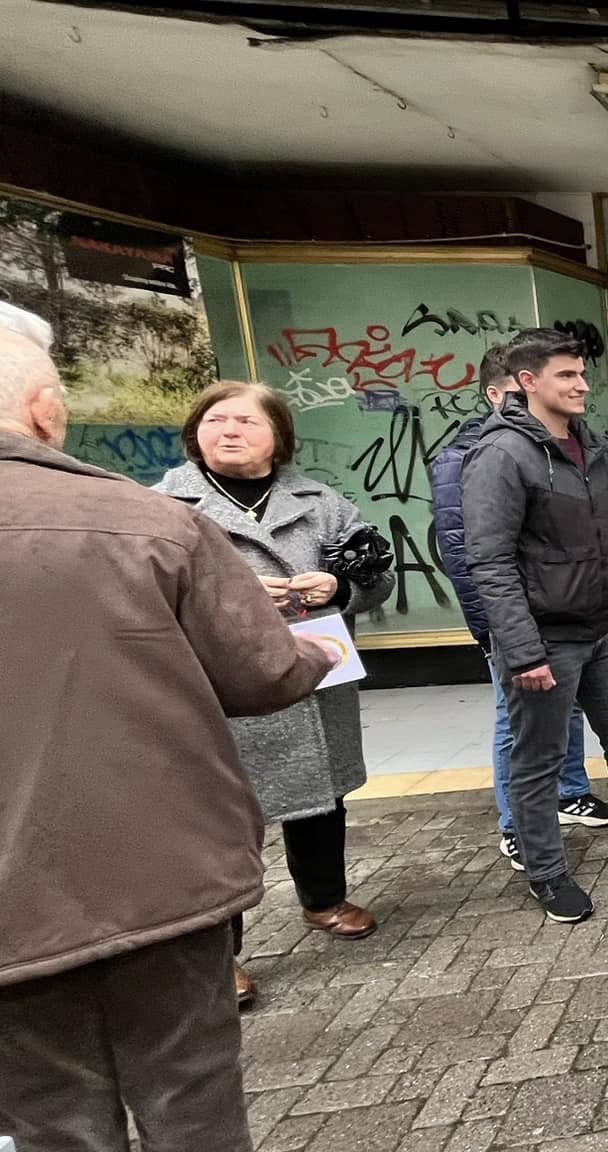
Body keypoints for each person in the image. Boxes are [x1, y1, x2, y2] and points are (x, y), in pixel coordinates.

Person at [1, 326, 335, 1151]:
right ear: (44, 410)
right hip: (158, 870)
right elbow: (262, 674)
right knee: (191, 1100)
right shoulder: (149, 519)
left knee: (49, 1120)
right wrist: (316, 653)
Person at [156, 381, 396, 1008]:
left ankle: (324, 899)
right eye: (215, 420)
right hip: (225, 686)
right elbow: (144, 592)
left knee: (321, 795)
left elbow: (378, 575)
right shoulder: (165, 507)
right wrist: (229, 598)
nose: (228, 430)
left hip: (315, 674)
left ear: (278, 437)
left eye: (245, 421)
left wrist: (339, 587)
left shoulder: (320, 502)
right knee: (222, 817)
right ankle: (220, 952)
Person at [464, 327, 608, 924]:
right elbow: (489, 561)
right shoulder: (501, 454)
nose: (582, 384)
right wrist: (522, 651)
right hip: (544, 639)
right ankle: (546, 871)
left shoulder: (591, 445)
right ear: (528, 382)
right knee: (537, 761)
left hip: (602, 631)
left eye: (582, 373)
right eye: (566, 375)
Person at [432, 344, 608, 875]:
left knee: (569, 712)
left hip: (566, 620)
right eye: (518, 395)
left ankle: (570, 792)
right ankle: (517, 828)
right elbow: (472, 556)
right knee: (515, 726)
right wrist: (504, 638)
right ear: (500, 393)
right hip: (513, 625)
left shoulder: (566, 446)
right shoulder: (474, 456)